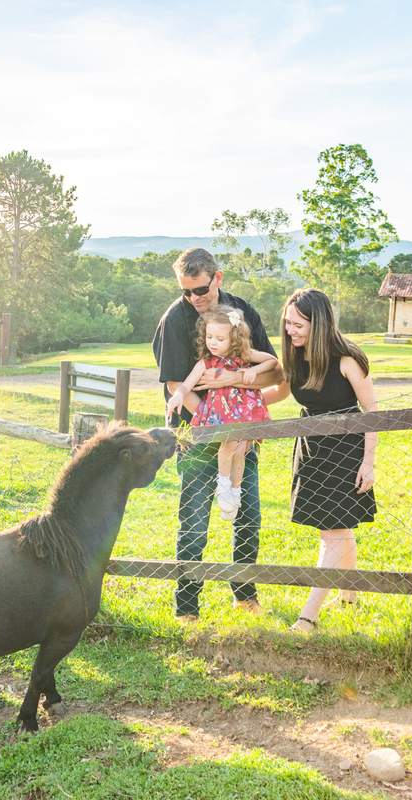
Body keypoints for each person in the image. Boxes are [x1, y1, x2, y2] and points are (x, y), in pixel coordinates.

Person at [152, 248, 281, 622]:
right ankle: (187, 608)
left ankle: (244, 595)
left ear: (218, 278)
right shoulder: (175, 320)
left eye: (200, 290)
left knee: (249, 516)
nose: (193, 298)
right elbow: (177, 384)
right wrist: (215, 424)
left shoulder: (240, 313)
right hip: (199, 435)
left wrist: (235, 379)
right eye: (186, 291)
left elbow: (274, 372)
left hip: (240, 434)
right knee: (194, 523)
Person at [263, 288, 377, 633]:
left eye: (298, 325)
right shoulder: (296, 357)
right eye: (287, 323)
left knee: (332, 532)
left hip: (346, 450)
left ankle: (308, 617)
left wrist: (368, 463)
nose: (289, 331)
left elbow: (373, 414)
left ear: (319, 324)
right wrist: (236, 406)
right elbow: (280, 392)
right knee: (339, 527)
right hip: (310, 449)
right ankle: (349, 596)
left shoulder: (348, 359)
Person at [165, 306, 278, 521]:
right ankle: (224, 486)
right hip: (224, 414)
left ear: (234, 339)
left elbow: (272, 361)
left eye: (219, 338)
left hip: (244, 412)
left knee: (241, 451)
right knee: (228, 445)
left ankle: (234, 493)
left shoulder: (245, 356)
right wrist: (178, 395)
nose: (213, 343)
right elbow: (186, 384)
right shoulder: (206, 362)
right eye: (209, 337)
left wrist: (253, 370)